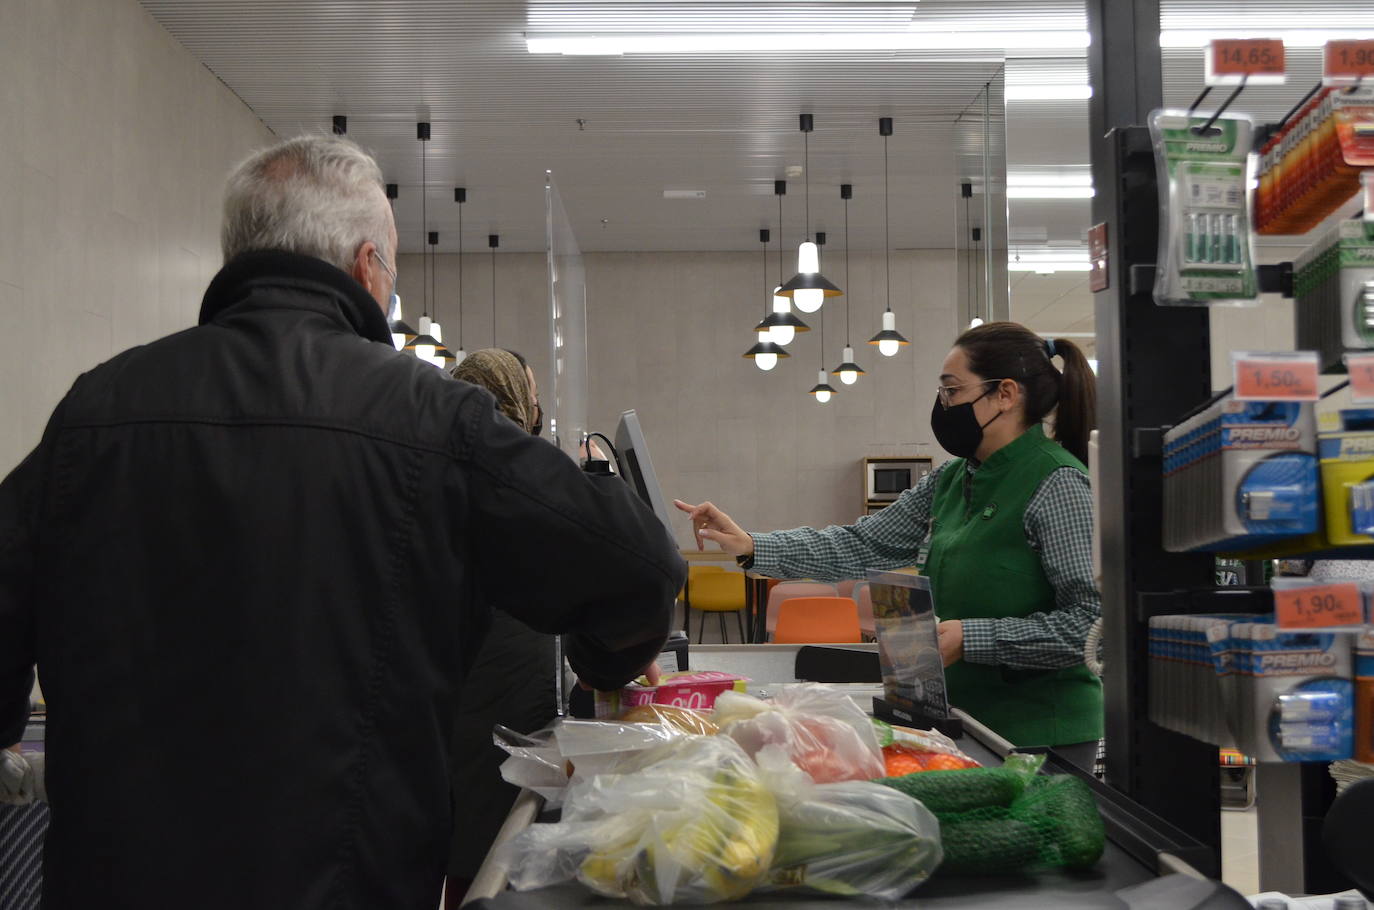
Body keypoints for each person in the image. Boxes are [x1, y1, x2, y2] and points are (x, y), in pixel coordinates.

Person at [0, 135, 683, 910]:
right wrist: (602, 662)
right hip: (345, 883)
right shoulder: (434, 419)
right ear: (367, 267)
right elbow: (644, 569)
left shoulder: (94, 412)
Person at [676, 321, 1102, 767]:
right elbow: (860, 544)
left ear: (1006, 394)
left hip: (1042, 735)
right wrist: (752, 545)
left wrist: (973, 638)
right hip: (964, 723)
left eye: (952, 391)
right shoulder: (952, 480)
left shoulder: (1057, 483)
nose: (943, 405)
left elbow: (1095, 629)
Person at [443, 348, 557, 905]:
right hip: (499, 698)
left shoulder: (440, 471)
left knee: (466, 845)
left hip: (461, 698)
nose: (535, 410)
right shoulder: (521, 477)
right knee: (490, 849)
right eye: (529, 395)